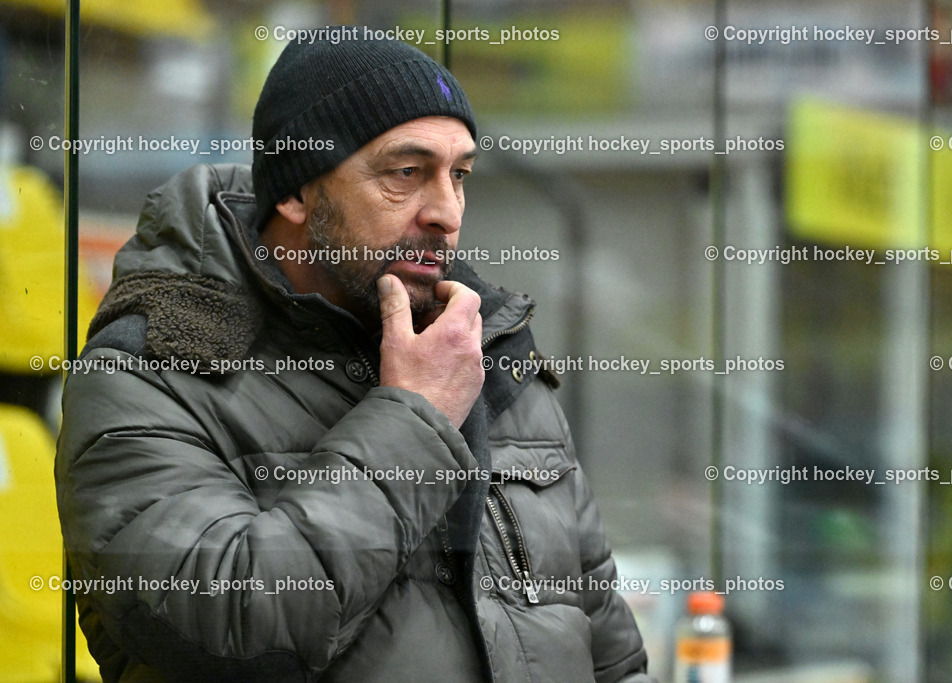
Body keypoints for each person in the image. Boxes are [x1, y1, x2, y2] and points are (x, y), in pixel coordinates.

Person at [55, 31, 653, 682]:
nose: (447, 212)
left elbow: (609, 650)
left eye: (460, 174)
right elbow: (224, 632)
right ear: (295, 191)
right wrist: (417, 417)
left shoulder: (485, 351)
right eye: (406, 172)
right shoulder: (155, 368)